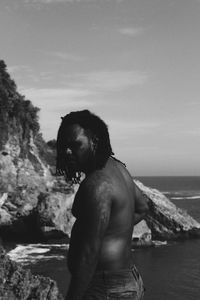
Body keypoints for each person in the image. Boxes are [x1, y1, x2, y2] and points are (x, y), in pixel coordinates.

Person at [56, 110, 149, 300]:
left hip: (107, 287)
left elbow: (88, 257)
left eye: (75, 145)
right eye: (64, 146)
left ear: (95, 142)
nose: (67, 152)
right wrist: (113, 230)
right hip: (128, 279)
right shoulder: (118, 168)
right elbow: (142, 207)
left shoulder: (96, 185)